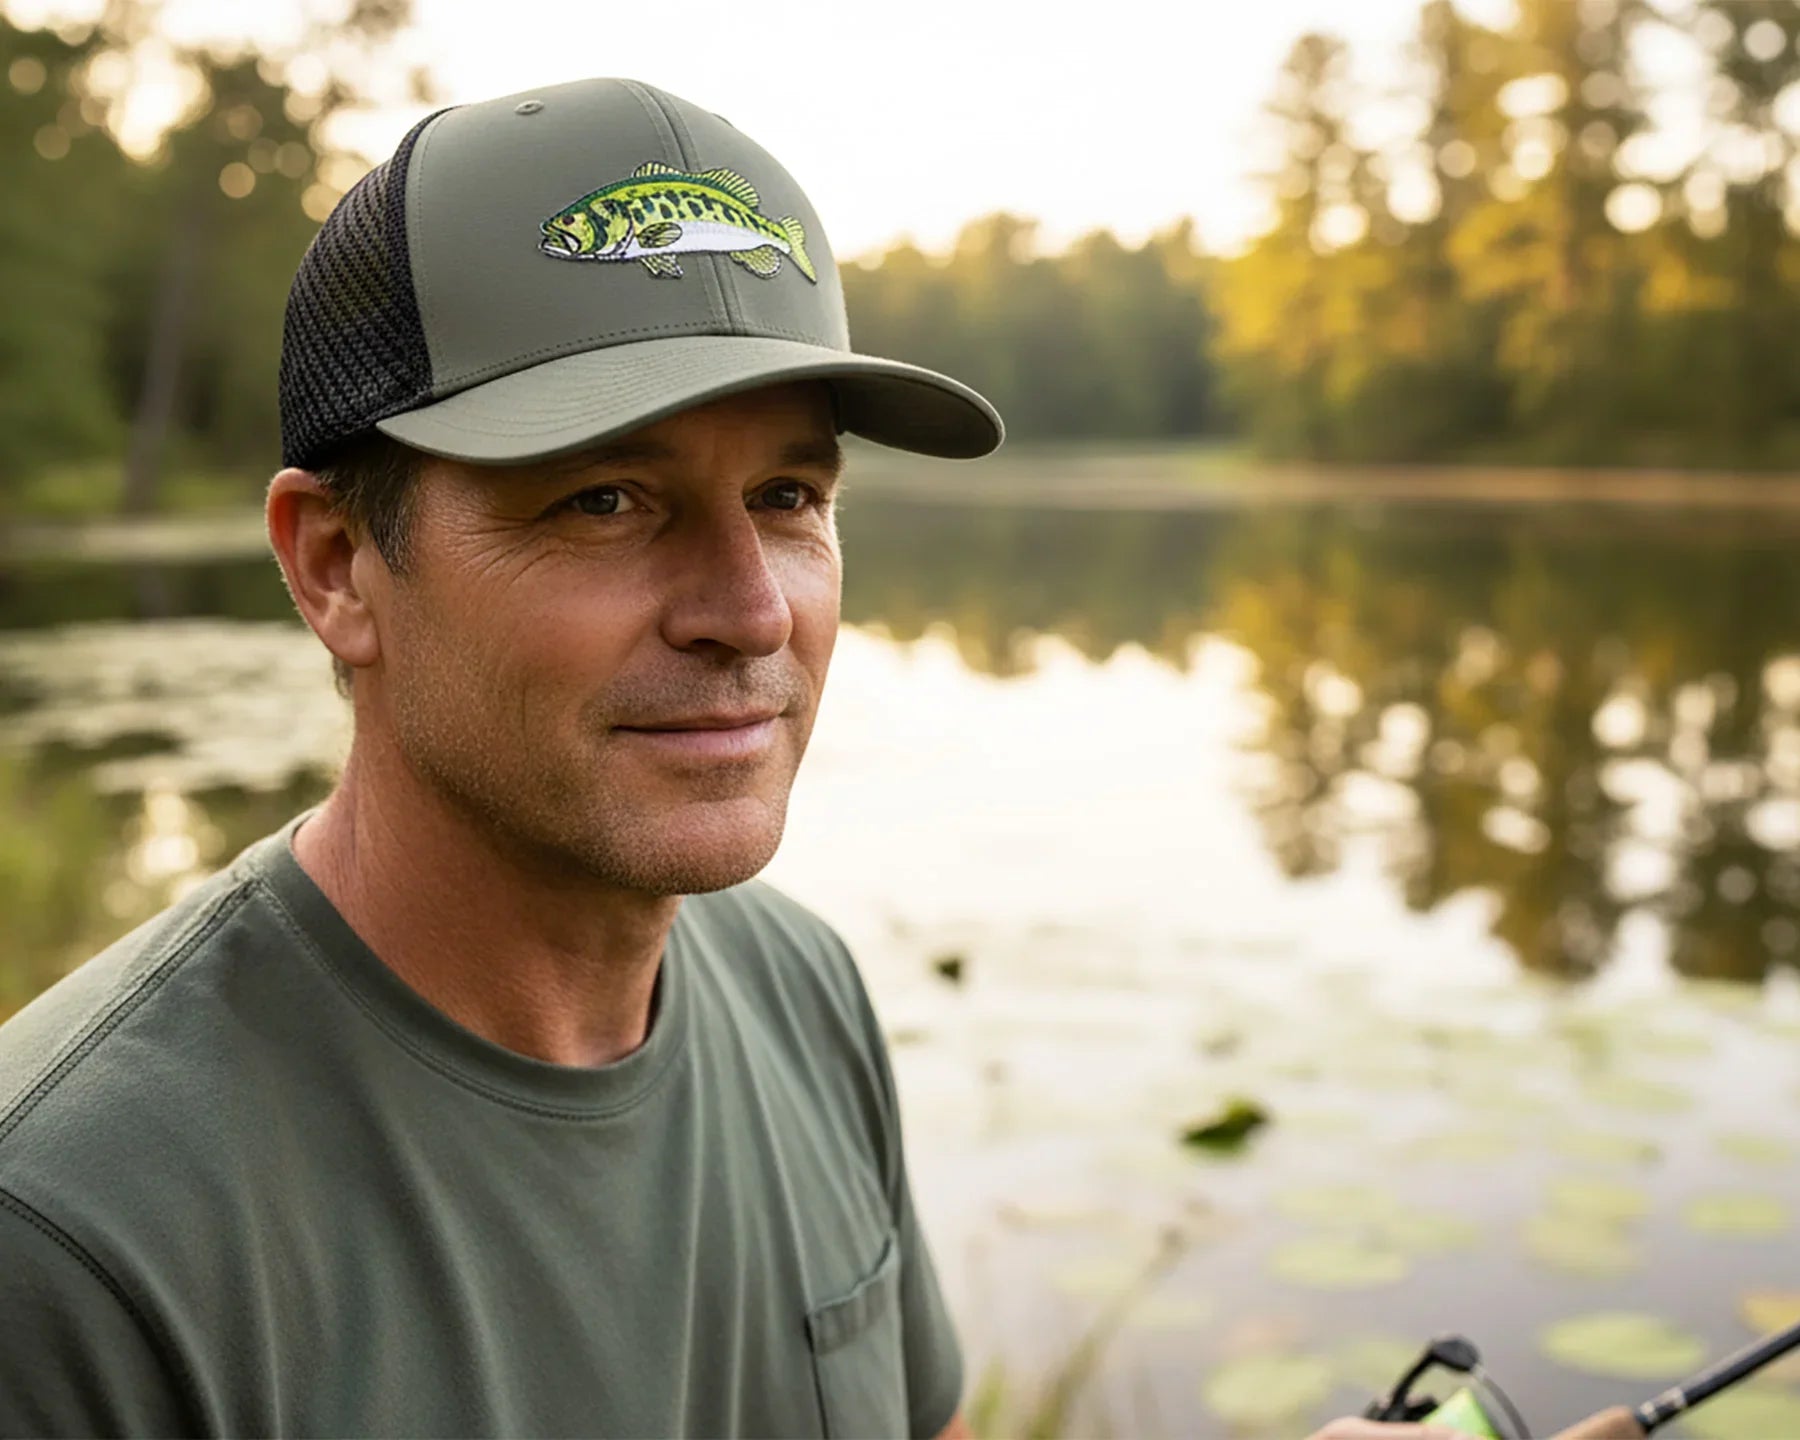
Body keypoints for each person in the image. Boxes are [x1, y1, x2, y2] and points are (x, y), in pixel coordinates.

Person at [0, 76, 1442, 1439]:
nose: (753, 610)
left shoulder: (799, 991)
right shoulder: (68, 1240)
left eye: (789, 494)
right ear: (336, 567)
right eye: (607, 498)